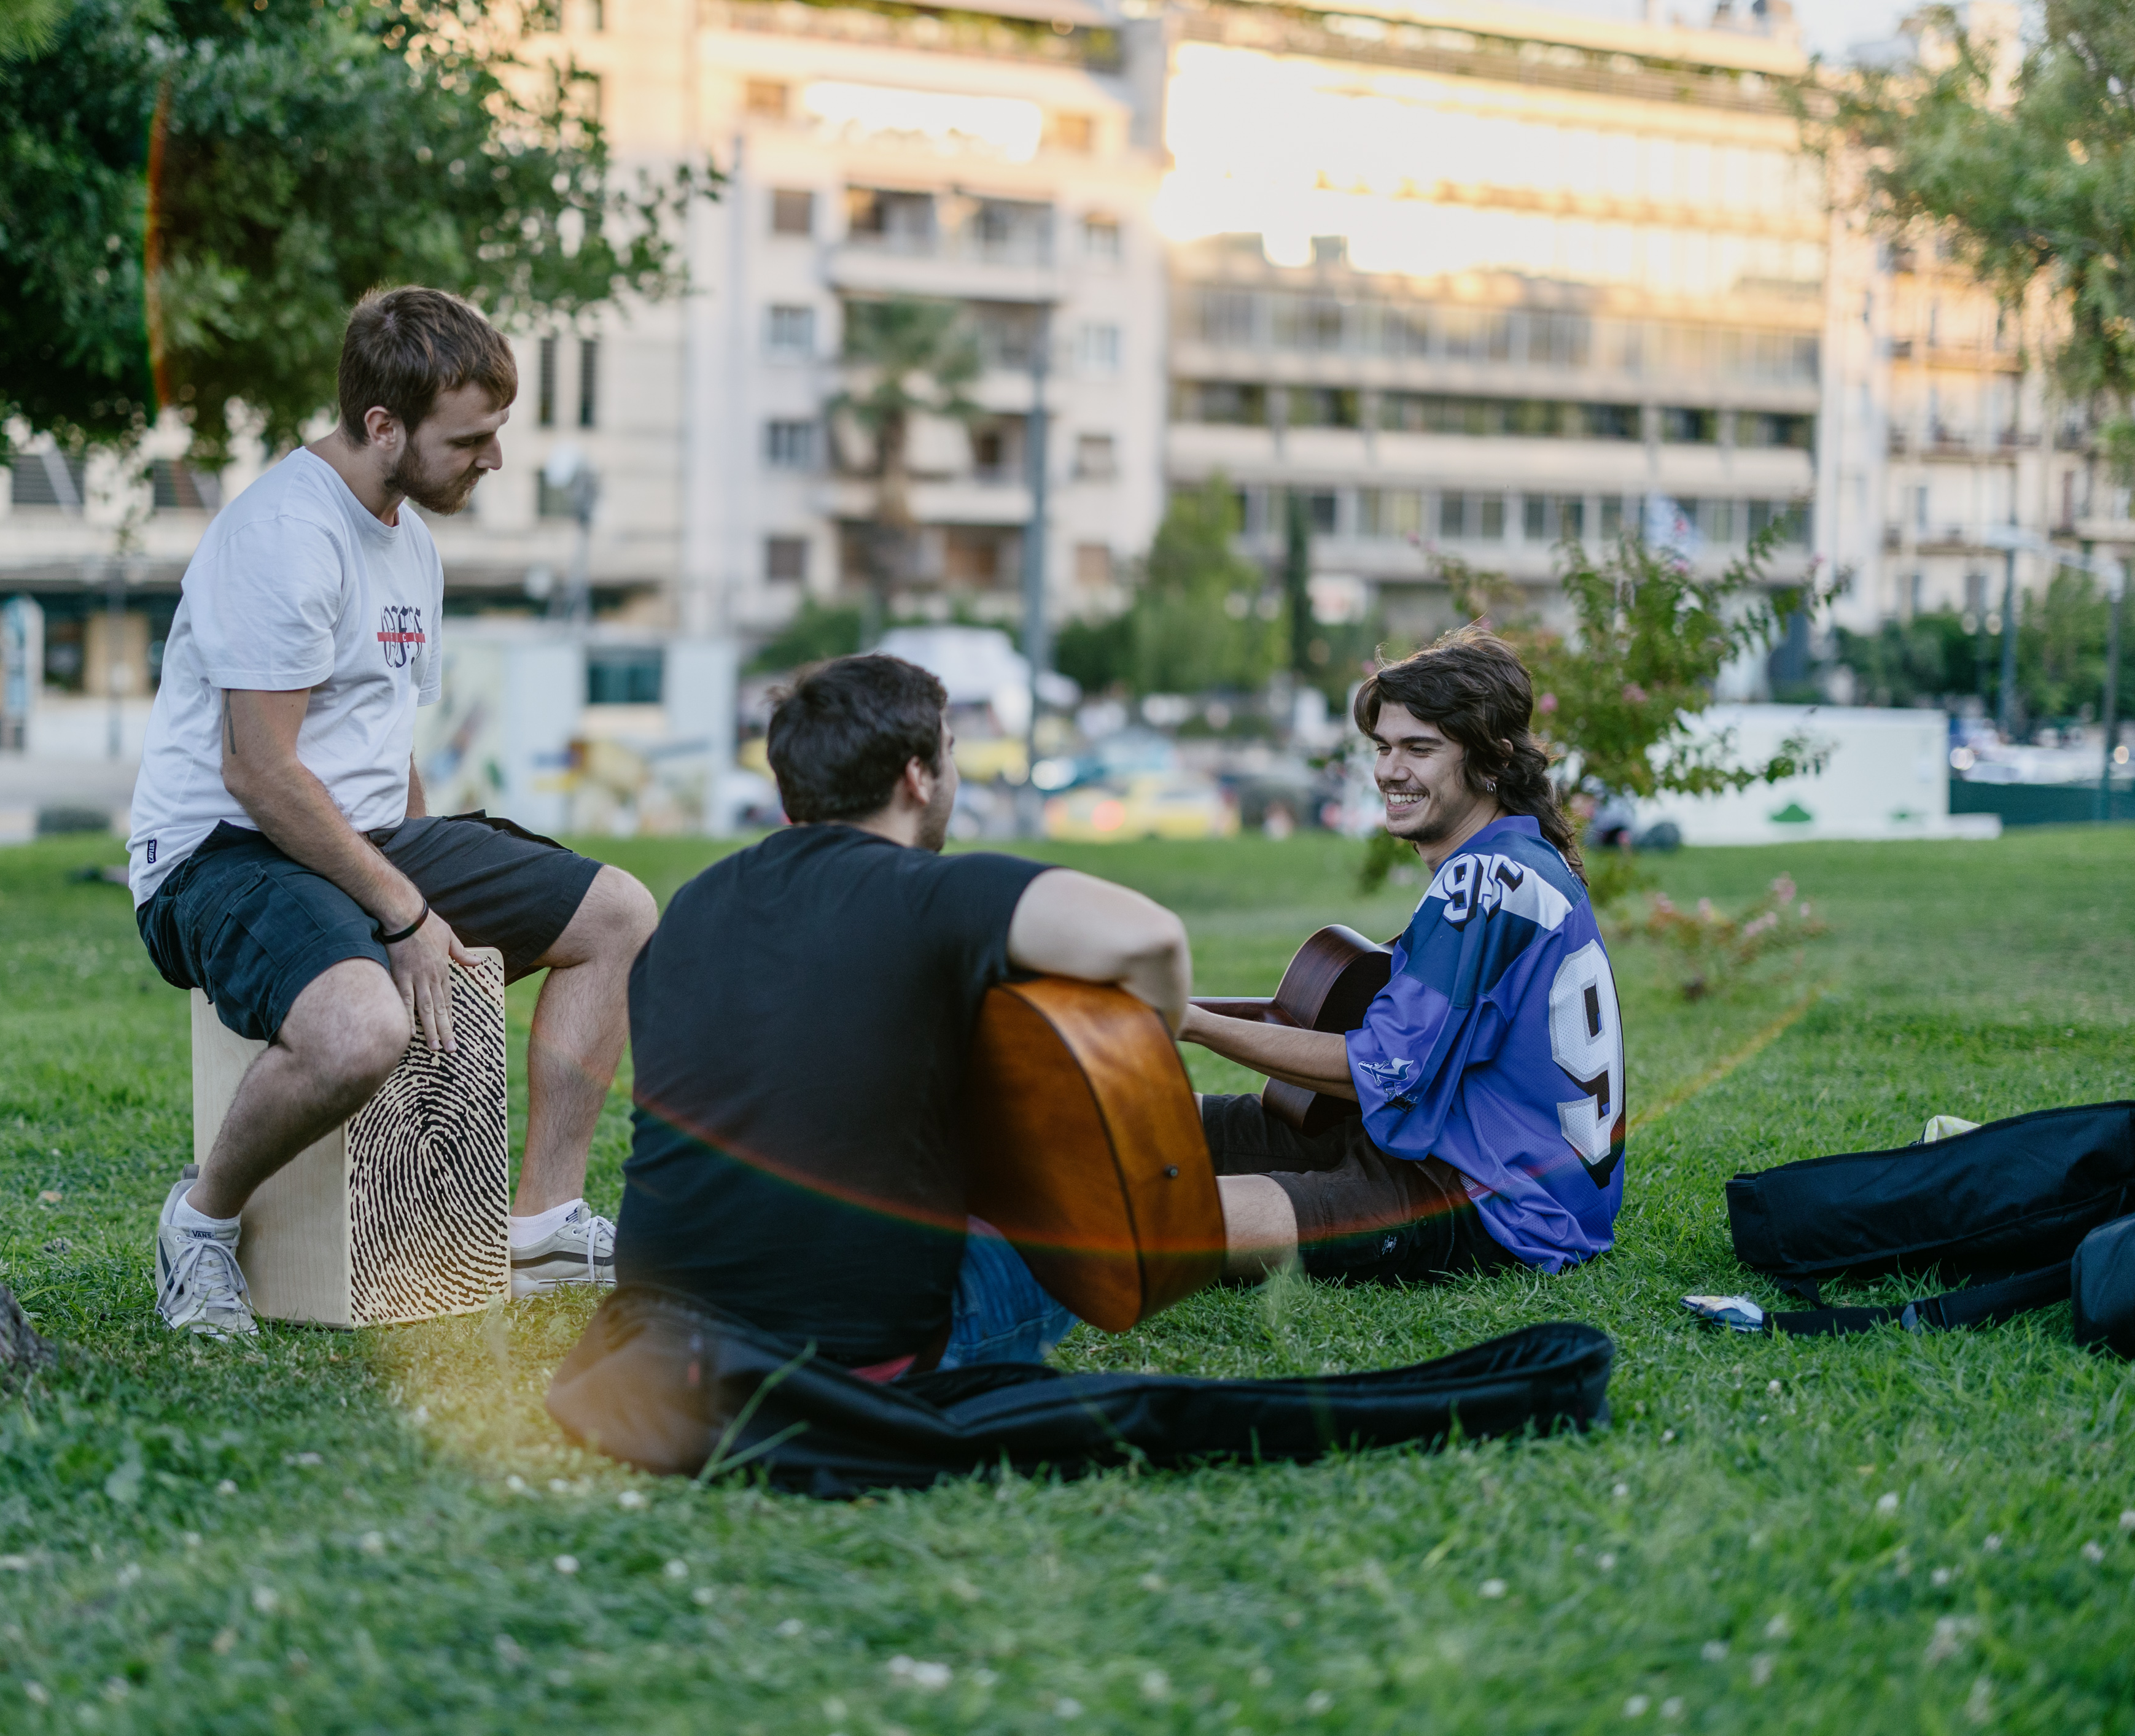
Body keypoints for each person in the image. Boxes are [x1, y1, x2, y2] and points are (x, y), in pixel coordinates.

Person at [126, 286, 656, 1338]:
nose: (492, 461)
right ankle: (199, 1222)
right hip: (222, 856)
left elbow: (383, 746)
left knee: (618, 914)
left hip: (355, 841)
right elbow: (260, 774)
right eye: (471, 438)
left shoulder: (408, 534)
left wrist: (420, 872)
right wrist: (406, 917)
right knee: (361, 1026)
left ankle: (543, 1222)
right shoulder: (284, 535)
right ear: (383, 425)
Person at [613, 654, 1292, 1373]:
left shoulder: (694, 902)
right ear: (917, 776)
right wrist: (1138, 1081)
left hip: (658, 1323)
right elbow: (1150, 937)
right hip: (856, 1346)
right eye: (952, 752)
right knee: (1082, 1220)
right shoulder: (931, 890)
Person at [1178, 626, 1625, 1281]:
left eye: (1420, 748)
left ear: (1492, 760)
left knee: (1163, 1217)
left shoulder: (1486, 882)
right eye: (1384, 747)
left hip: (1497, 1203)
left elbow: (1383, 1071)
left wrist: (1188, 1023)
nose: (1390, 769)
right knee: (1146, 1121)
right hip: (1449, 1140)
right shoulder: (1519, 860)